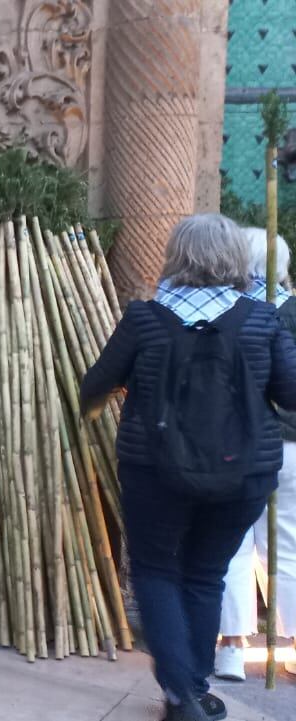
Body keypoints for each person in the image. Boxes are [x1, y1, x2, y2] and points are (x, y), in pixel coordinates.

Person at [82, 214, 296, 721]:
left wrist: (132, 389)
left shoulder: (143, 319)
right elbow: (290, 395)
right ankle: (195, 689)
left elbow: (93, 387)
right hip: (242, 474)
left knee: (157, 570)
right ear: (234, 260)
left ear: (177, 256)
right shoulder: (262, 319)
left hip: (155, 470)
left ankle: (180, 693)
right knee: (206, 573)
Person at [215, 227, 296, 681]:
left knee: (233, 543)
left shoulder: (228, 312)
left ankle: (231, 646)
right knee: (287, 542)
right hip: (291, 444)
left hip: (237, 441)